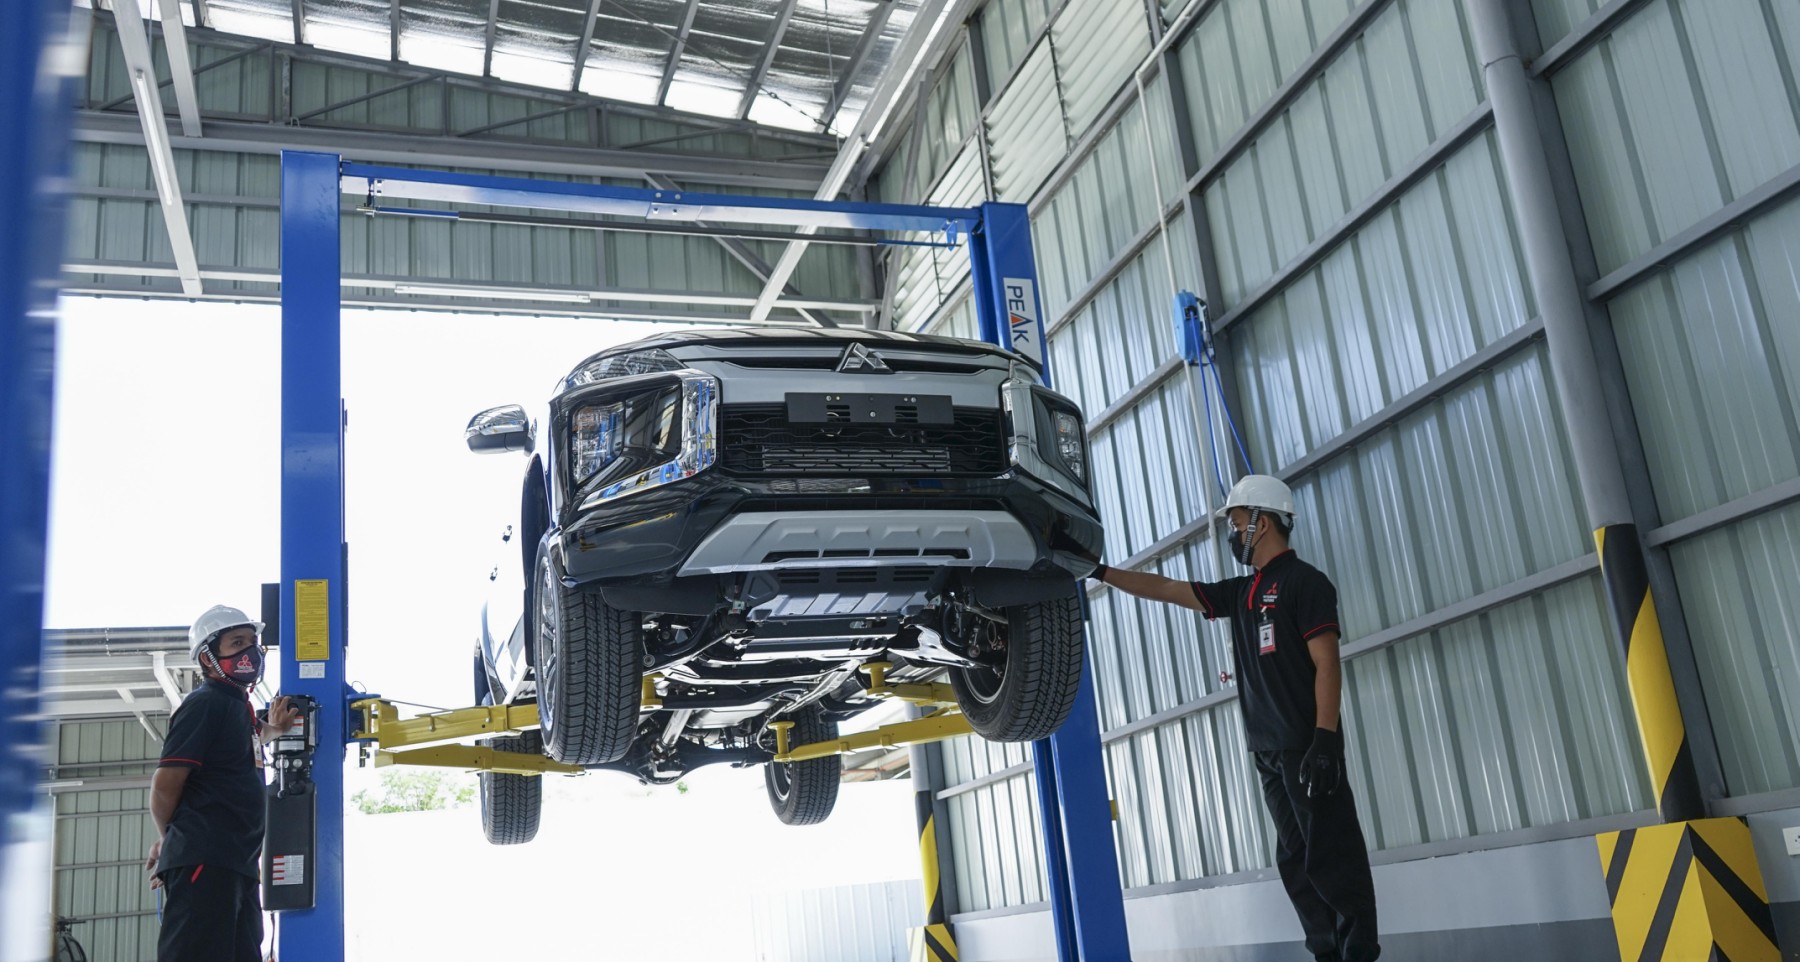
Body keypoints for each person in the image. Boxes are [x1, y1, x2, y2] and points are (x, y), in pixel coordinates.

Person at [1091, 475, 1379, 962]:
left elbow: (1327, 662)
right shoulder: (1244, 592)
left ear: (1262, 523)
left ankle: (1359, 953)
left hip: (1306, 746)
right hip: (1267, 751)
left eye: (1237, 521)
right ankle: (1327, 953)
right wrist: (1100, 571)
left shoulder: (1305, 583)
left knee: (1333, 857)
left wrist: (1325, 741)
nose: (1233, 532)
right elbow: (1166, 588)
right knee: (1295, 861)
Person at [144, 605, 297, 962]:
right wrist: (171, 840)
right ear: (208, 658)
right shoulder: (205, 703)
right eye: (237, 643)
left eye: (253, 643)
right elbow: (166, 783)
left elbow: (256, 735)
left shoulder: (237, 708)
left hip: (236, 863)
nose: (250, 652)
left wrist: (277, 729)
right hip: (207, 859)